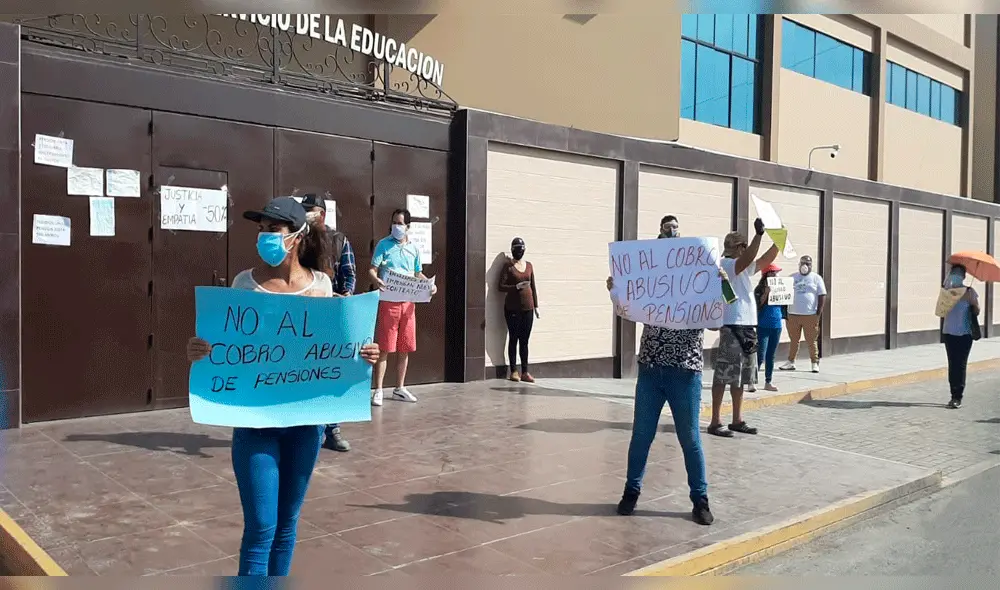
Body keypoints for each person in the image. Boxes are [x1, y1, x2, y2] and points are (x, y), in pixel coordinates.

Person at [185, 197, 379, 576]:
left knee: (287, 527)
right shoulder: (245, 284)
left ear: (297, 235)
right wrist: (199, 350)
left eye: (273, 230)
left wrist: (365, 352)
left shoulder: (323, 287)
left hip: (306, 428)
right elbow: (223, 344)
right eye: (261, 230)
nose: (265, 238)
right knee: (260, 528)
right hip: (256, 427)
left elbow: (339, 349)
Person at [607, 214, 714, 526]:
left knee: (690, 438)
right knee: (641, 435)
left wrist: (721, 285)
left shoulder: (702, 283)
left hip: (685, 372)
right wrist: (616, 289)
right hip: (652, 370)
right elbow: (627, 304)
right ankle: (631, 491)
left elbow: (724, 313)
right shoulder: (651, 286)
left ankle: (700, 498)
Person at [708, 221, 779, 438]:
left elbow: (764, 260)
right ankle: (715, 420)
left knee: (741, 376)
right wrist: (759, 235)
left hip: (747, 326)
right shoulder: (727, 264)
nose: (747, 248)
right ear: (738, 248)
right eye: (744, 245)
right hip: (732, 326)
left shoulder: (742, 267)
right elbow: (750, 258)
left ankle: (737, 419)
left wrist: (779, 240)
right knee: (724, 375)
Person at [301, 194, 356, 453]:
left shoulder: (339, 240)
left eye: (309, 211)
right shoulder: (297, 238)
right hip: (303, 318)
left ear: (321, 213)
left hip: (332, 314)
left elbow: (349, 273)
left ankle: (332, 428)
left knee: (332, 371)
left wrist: (345, 296)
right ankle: (308, 429)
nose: (306, 215)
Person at [369, 208, 436, 405]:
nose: (396, 227)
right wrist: (377, 280)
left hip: (408, 303)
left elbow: (417, 274)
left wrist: (429, 285)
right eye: (394, 223)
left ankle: (400, 387)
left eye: (400, 223)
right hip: (389, 301)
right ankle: (379, 389)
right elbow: (372, 269)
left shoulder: (414, 249)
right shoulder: (384, 245)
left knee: (404, 346)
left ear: (408, 226)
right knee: (385, 346)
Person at [499, 237, 539, 383]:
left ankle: (525, 371)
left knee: (525, 340)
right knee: (513, 338)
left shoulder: (529, 266)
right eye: (516, 249)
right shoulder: (508, 267)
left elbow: (533, 286)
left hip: (528, 308)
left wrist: (536, 306)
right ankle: (513, 370)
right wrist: (515, 287)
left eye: (521, 249)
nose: (519, 252)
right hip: (512, 308)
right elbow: (500, 286)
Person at [780, 255, 827, 373]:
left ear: (811, 265)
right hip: (792, 314)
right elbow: (784, 294)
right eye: (803, 263)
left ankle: (814, 362)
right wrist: (785, 312)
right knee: (794, 340)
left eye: (808, 264)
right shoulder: (792, 277)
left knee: (811, 340)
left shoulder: (816, 278)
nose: (805, 266)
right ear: (799, 264)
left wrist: (818, 312)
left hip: (810, 315)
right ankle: (791, 361)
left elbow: (822, 295)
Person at [942, 264, 979, 409]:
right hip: (949, 333)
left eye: (959, 273)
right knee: (952, 364)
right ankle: (953, 395)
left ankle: (958, 396)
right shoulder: (947, 291)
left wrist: (972, 303)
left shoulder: (970, 292)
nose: (956, 275)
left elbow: (977, 310)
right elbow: (940, 309)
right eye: (954, 273)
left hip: (965, 334)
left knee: (961, 364)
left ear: (964, 276)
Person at [753, 263, 784, 393]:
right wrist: (766, 293)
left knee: (771, 355)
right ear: (767, 274)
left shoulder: (780, 287)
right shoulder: (759, 289)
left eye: (776, 273)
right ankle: (752, 381)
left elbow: (784, 303)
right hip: (763, 324)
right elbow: (757, 306)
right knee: (760, 354)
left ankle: (768, 381)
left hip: (776, 324)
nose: (775, 275)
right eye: (773, 273)